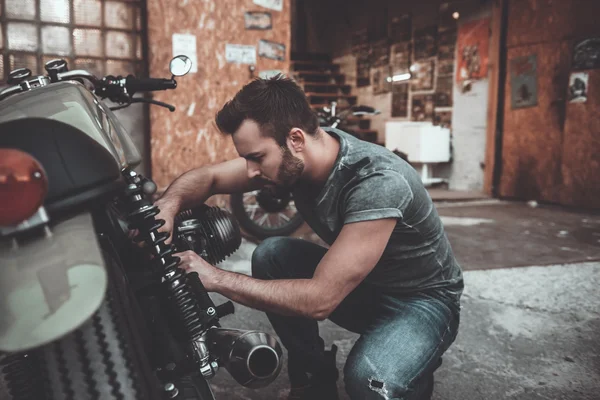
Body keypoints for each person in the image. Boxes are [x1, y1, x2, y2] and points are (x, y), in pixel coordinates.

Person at [154, 75, 463, 400]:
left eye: (256, 157)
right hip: (367, 287)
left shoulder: (377, 181)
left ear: (296, 139)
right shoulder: (296, 158)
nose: (249, 171)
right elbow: (211, 177)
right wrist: (168, 204)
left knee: (371, 380)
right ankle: (315, 372)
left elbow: (319, 300)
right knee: (271, 254)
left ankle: (413, 368)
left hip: (423, 302)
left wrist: (214, 278)